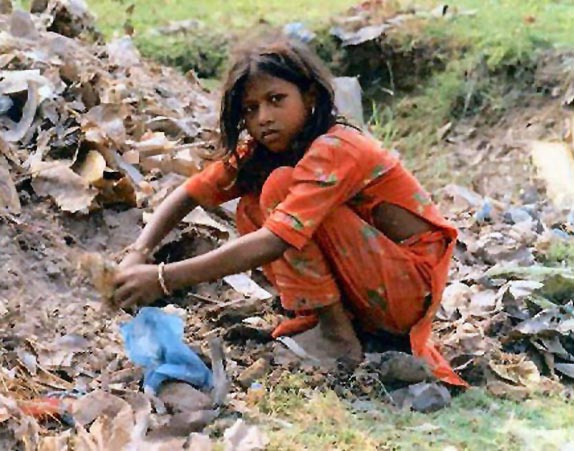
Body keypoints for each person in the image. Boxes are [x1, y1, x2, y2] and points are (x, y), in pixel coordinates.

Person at [113, 38, 467, 387]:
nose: (263, 118)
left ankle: (339, 338)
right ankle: (326, 317)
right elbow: (190, 193)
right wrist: (138, 253)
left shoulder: (338, 147)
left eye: (275, 100)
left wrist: (162, 278)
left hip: (407, 291)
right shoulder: (265, 149)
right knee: (255, 203)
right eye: (250, 109)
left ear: (309, 97)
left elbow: (275, 241)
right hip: (374, 285)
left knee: (280, 190)